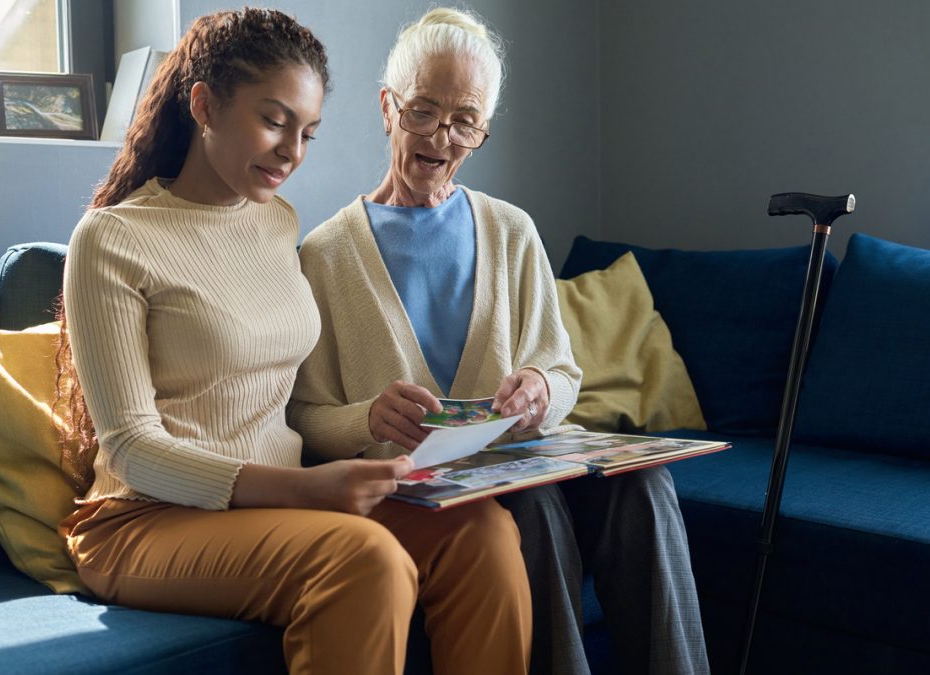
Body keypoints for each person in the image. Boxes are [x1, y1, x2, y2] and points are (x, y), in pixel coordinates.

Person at [55, 9, 531, 675]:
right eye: (274, 121)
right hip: (142, 520)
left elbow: (294, 399)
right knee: (365, 562)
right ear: (204, 105)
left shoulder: (278, 223)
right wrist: (306, 488)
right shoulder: (110, 240)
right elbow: (133, 450)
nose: (292, 151)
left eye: (307, 131)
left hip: (275, 500)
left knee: (481, 532)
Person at [289, 7, 709, 674]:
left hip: (525, 458)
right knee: (534, 510)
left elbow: (562, 368)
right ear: (387, 106)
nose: (442, 138)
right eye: (424, 111)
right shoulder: (325, 255)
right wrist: (365, 417)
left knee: (647, 484)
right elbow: (304, 417)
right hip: (425, 493)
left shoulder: (513, 230)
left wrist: (544, 386)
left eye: (466, 122)